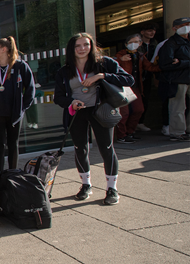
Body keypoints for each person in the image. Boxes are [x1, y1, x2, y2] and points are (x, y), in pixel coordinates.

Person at [54, 33, 135, 206]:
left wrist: (101, 76)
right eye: (78, 46)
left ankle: (112, 188)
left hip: (101, 110)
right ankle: (86, 185)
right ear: (71, 49)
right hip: (77, 113)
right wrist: (71, 102)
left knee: (106, 148)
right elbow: (58, 97)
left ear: (91, 46)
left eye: (86, 45)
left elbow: (129, 79)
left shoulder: (104, 63)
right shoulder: (64, 71)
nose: (82, 49)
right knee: (80, 149)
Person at [0, 36, 35, 171]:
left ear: (4, 50)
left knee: (13, 144)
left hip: (14, 114)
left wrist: (21, 108)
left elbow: (30, 89)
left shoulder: (20, 67)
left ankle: (13, 173)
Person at [158, 17, 190, 141]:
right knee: (178, 107)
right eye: (183, 25)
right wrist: (185, 62)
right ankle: (177, 132)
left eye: (188, 24)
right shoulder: (170, 43)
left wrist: (181, 62)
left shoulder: (187, 41)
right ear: (174, 28)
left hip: (186, 77)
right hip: (177, 79)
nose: (186, 27)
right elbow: (165, 64)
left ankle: (186, 128)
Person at [114, 34, 147, 143]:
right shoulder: (120, 55)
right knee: (124, 113)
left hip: (136, 87)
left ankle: (130, 132)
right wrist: (121, 59)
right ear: (126, 44)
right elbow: (112, 65)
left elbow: (150, 66)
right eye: (131, 42)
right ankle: (121, 135)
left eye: (137, 42)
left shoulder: (140, 55)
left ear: (140, 43)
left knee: (139, 110)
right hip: (123, 87)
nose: (134, 44)